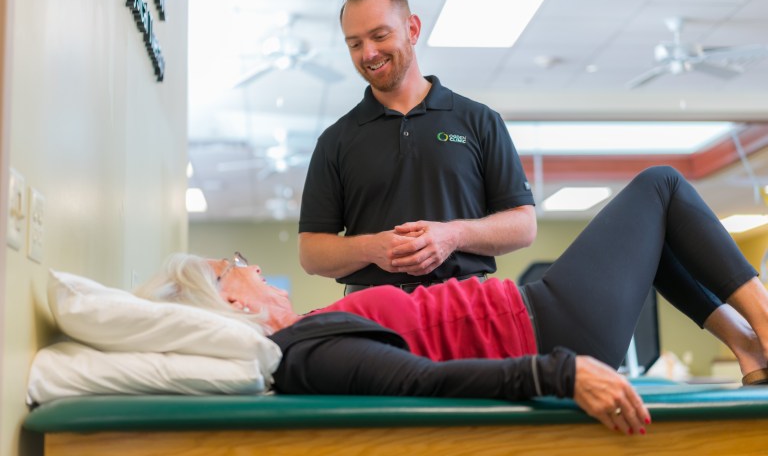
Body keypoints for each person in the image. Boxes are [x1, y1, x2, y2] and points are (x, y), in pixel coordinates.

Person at [138, 166, 768, 436]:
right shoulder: (301, 355)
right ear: (232, 304)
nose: (251, 268)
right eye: (235, 270)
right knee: (660, 187)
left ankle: (751, 353)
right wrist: (562, 372)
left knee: (654, 239)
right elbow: (422, 382)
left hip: (538, 314)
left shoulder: (304, 332)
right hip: (545, 330)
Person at [298, 0, 537, 294]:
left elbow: (523, 225)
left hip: (463, 303)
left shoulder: (479, 120)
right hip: (372, 313)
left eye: (380, 35)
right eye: (354, 44)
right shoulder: (336, 140)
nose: (368, 53)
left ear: (412, 29)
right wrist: (370, 248)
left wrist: (454, 235)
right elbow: (311, 252)